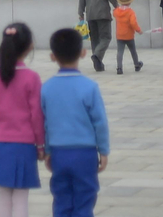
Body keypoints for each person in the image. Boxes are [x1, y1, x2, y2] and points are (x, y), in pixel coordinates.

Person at [41, 28, 110, 217]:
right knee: (85, 200)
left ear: (53, 56)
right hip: (85, 153)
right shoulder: (90, 87)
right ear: (83, 52)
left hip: (58, 153)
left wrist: (47, 150)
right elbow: (100, 122)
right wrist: (103, 150)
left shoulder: (46, 88)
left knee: (61, 199)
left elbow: (44, 123)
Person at [0, 23, 43, 217]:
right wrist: (41, 145)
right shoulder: (31, 78)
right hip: (24, 146)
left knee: (3, 198)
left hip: (0, 145)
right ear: (29, 46)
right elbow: (36, 115)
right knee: (20, 198)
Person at [76, 0, 117, 72]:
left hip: (90, 13)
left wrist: (80, 12)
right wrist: (117, 5)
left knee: (95, 39)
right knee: (106, 37)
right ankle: (97, 56)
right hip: (103, 12)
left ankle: (98, 64)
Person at [111, 0, 142, 75]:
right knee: (133, 51)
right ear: (129, 2)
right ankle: (136, 65)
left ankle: (119, 68)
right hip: (129, 35)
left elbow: (114, 13)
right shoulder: (131, 12)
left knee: (120, 52)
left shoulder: (116, 11)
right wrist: (138, 30)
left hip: (119, 35)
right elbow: (133, 23)